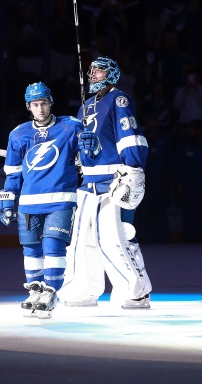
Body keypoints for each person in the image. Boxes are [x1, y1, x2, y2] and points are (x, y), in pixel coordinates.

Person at [0, 82, 99, 319]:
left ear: (50, 102)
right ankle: (35, 291)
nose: (40, 109)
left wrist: (91, 146)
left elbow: (89, 159)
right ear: (28, 107)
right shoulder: (18, 134)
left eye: (43, 103)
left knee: (53, 246)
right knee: (31, 249)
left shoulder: (71, 126)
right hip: (29, 203)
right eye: (35, 105)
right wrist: (7, 198)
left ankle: (51, 292)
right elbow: (12, 173)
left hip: (61, 200)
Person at [57, 56, 152, 309]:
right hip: (88, 183)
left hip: (113, 180)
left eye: (98, 71)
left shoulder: (119, 99)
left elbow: (128, 134)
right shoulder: (85, 107)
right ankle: (82, 288)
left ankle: (136, 291)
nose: (93, 75)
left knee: (114, 237)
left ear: (110, 74)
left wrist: (133, 168)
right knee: (80, 240)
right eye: (91, 71)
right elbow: (79, 147)